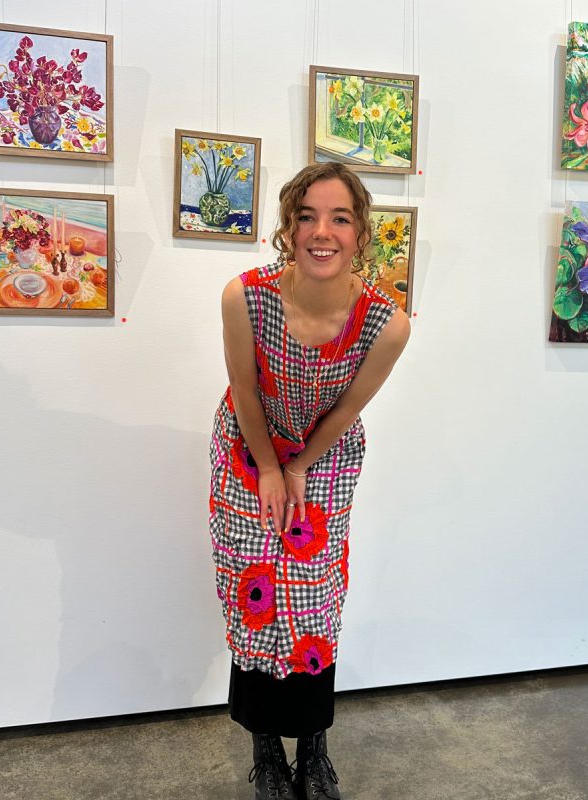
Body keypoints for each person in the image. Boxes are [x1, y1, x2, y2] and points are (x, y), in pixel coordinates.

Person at [209, 162, 410, 799]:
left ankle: (314, 747)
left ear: (360, 233)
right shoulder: (245, 297)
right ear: (288, 228)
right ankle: (266, 749)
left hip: (324, 454)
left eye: (339, 218)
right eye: (307, 216)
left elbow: (347, 410)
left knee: (314, 597)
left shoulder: (387, 323)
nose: (322, 232)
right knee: (254, 590)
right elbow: (244, 388)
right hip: (248, 446)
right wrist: (270, 466)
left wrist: (298, 466)